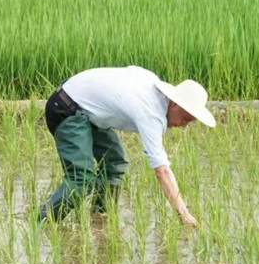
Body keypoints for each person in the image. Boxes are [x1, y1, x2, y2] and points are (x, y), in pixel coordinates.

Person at [38, 66, 216, 226]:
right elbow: (162, 170)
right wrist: (184, 215)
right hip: (65, 107)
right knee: (81, 177)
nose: (183, 126)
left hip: (85, 108)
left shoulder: (153, 86)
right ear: (176, 104)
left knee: (114, 163)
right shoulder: (150, 112)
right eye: (185, 119)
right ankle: (42, 223)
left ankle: (100, 219)